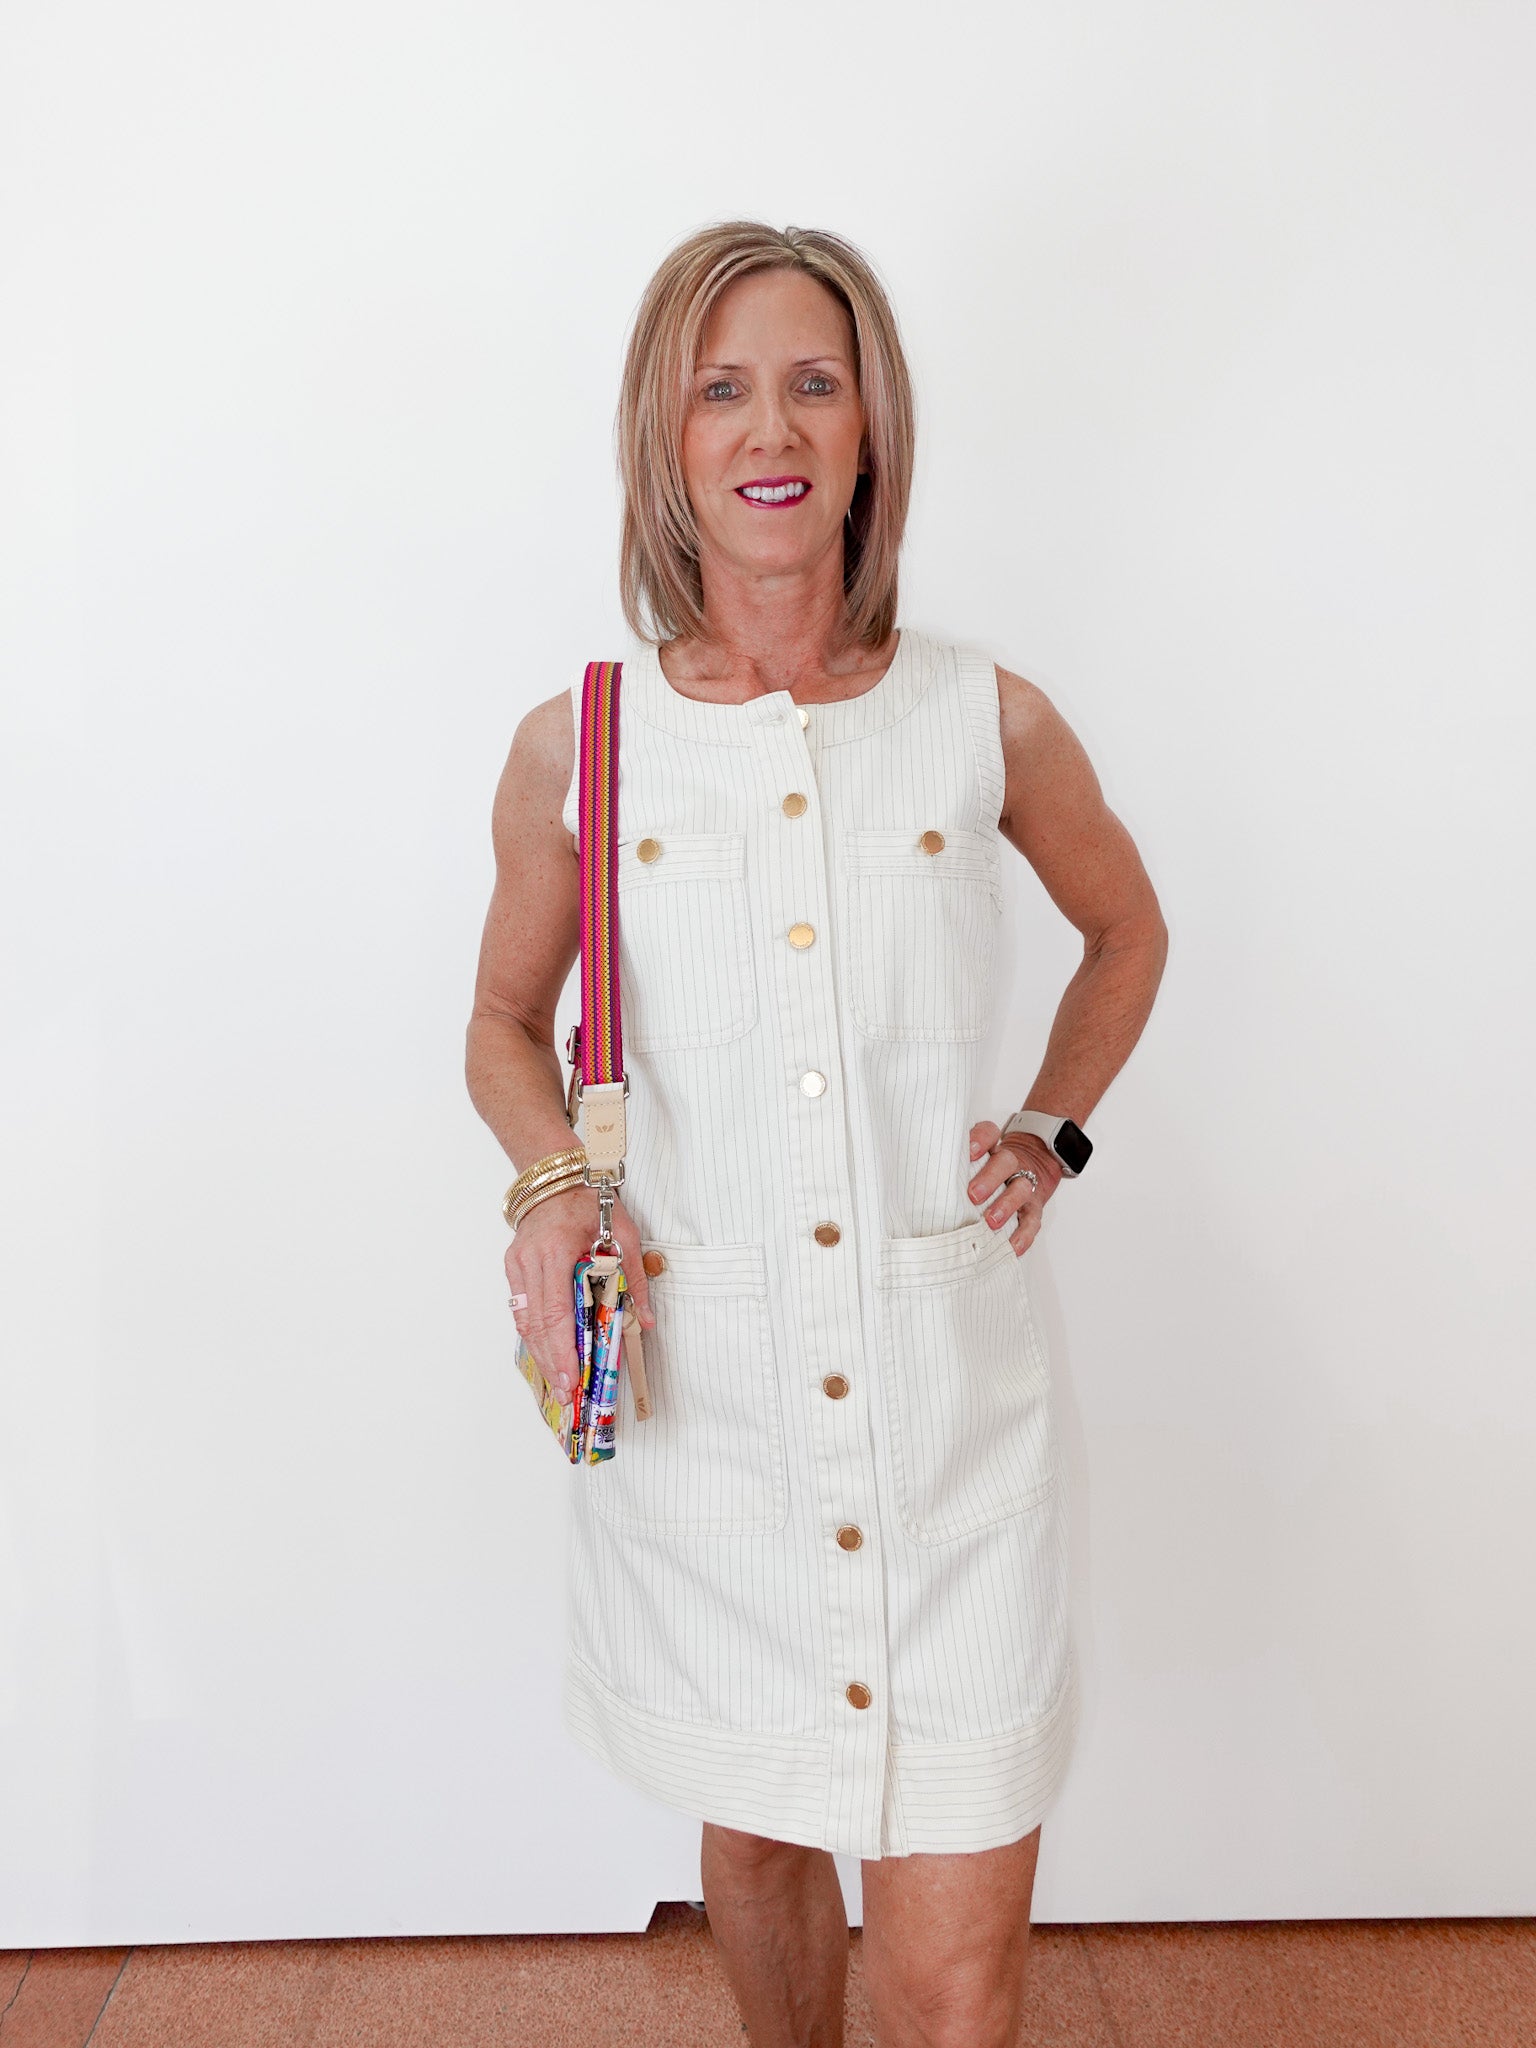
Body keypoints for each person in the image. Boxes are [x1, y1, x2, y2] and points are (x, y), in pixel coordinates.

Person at [465, 220, 1167, 2048]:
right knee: (763, 1863)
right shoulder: (582, 745)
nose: (766, 424)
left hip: (955, 1431)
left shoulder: (979, 717)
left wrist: (1053, 1128)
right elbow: (498, 1027)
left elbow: (1129, 928)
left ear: (869, 432)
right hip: (720, 1425)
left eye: (810, 380)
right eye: (720, 387)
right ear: (665, 440)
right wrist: (555, 1186)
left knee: (951, 1972)